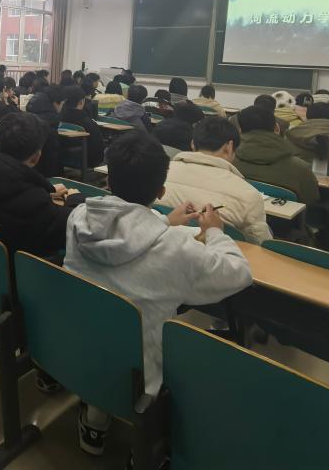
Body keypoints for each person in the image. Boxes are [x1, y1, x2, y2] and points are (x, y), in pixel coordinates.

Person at [65, 131, 251, 455]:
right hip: (141, 375)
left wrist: (164, 221)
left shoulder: (79, 217)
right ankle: (149, 450)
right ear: (161, 190)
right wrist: (215, 233)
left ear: (109, 179)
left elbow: (126, 235)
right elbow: (238, 273)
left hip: (78, 347)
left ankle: (95, 418)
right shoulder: (175, 248)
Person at [0, 112, 84, 259]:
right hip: (11, 271)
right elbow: (72, 229)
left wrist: (44, 192)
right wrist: (75, 200)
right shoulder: (33, 204)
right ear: (36, 157)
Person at [160, 117, 272, 244]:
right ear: (229, 147)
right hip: (217, 253)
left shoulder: (159, 173)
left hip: (163, 247)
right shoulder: (248, 195)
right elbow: (260, 244)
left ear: (192, 144)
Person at [233, 106, 320, 204]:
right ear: (276, 128)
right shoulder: (301, 169)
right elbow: (311, 201)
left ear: (239, 130)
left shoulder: (229, 163)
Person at [60, 85, 105, 168]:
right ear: (82, 101)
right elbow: (98, 152)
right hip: (87, 163)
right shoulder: (89, 124)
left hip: (61, 159)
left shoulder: (58, 119)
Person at [26, 84, 65, 177]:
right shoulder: (50, 123)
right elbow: (51, 157)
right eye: (63, 104)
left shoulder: (28, 115)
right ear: (55, 103)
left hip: (24, 170)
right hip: (42, 175)